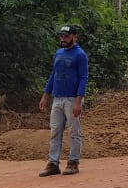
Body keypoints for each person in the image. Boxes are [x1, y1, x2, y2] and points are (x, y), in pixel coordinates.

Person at [38, 24, 89, 176]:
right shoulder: (58, 53)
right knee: (55, 131)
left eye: (66, 36)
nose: (63, 39)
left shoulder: (80, 55)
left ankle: (73, 162)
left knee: (74, 131)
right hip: (58, 98)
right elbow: (53, 75)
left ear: (74, 37)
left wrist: (79, 101)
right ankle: (53, 163)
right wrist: (45, 96)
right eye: (61, 36)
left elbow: (83, 78)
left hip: (72, 98)